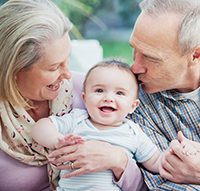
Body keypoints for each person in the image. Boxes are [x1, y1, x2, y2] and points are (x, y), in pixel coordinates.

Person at [0, 0, 147, 191]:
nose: (68, 73)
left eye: (68, 59)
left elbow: (145, 186)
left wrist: (118, 161)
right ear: (14, 70)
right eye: (54, 67)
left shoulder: (92, 93)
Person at [32, 59, 197, 191]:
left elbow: (157, 163)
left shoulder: (134, 132)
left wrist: (178, 151)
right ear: (84, 98)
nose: (108, 98)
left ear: (133, 106)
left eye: (119, 93)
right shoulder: (77, 120)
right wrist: (57, 140)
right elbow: (40, 127)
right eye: (99, 91)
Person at [127, 0, 200, 190]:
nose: (135, 67)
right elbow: (171, 186)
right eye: (134, 49)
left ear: (196, 55)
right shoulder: (131, 100)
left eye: (150, 57)